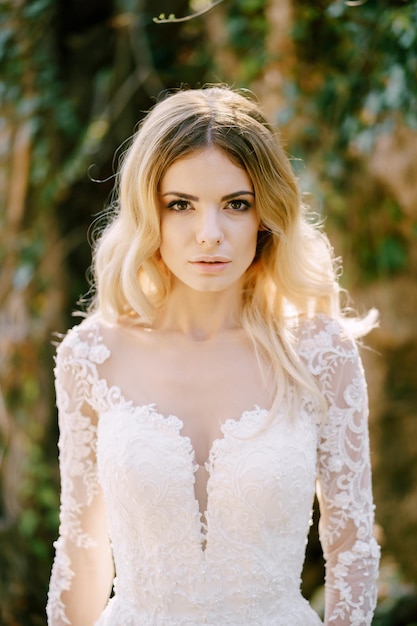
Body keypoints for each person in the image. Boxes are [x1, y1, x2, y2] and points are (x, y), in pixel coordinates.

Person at [47, 86, 380, 626]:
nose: (209, 235)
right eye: (181, 205)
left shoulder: (320, 354)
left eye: (236, 204)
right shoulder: (92, 355)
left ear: (265, 215)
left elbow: (352, 547)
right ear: (147, 212)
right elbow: (83, 548)